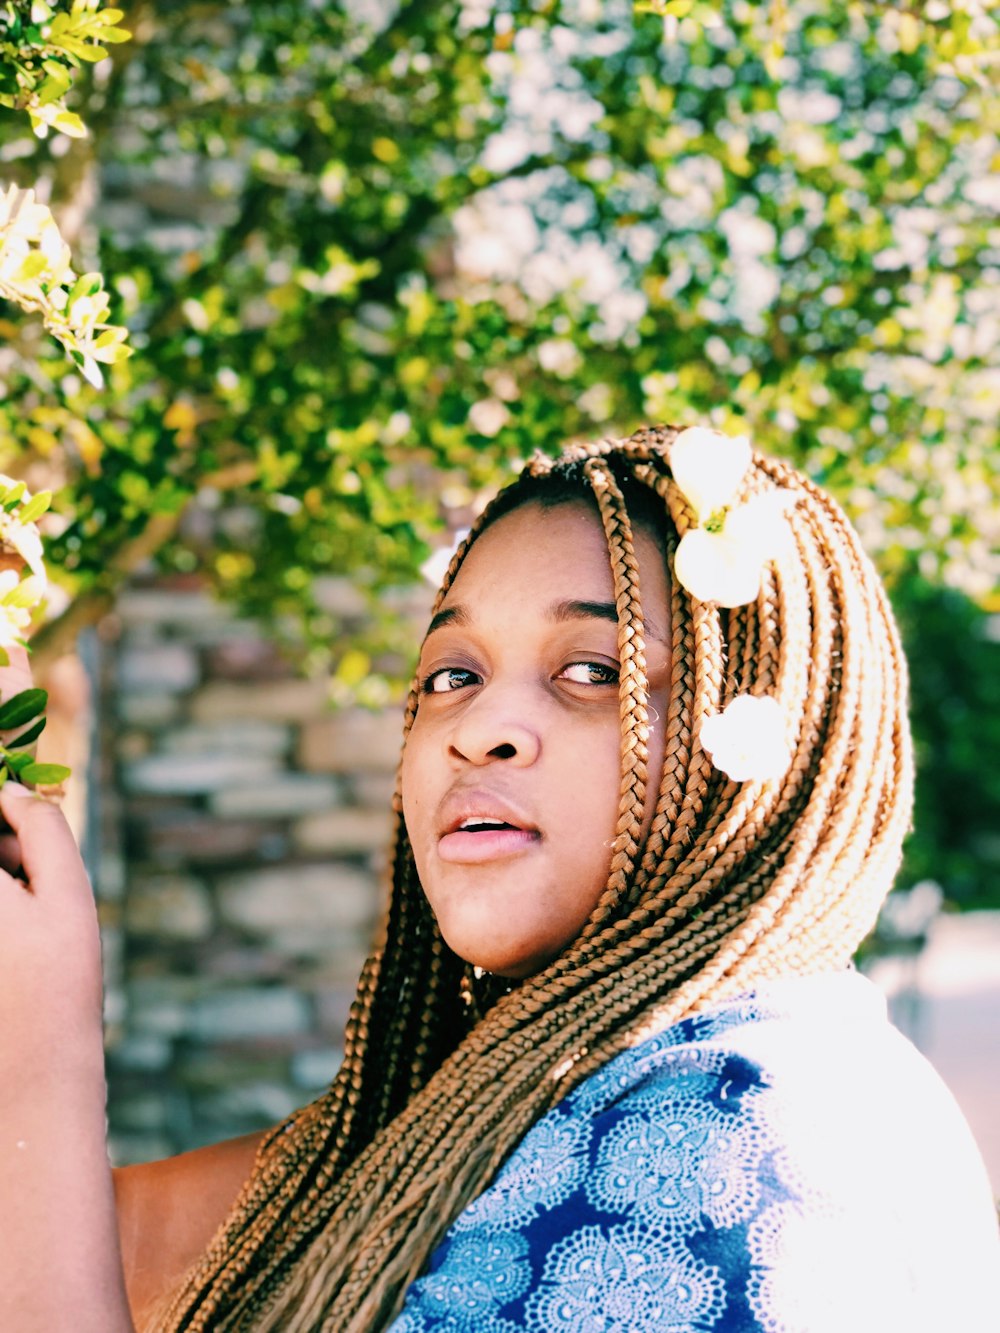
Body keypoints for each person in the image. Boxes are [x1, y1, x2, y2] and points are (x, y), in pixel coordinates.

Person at [0, 423, 997, 1332]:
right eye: (451, 675)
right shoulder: (528, 1098)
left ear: (767, 739)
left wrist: (40, 1067)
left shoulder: (726, 1135)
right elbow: (106, 1238)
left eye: (594, 670)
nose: (480, 727)